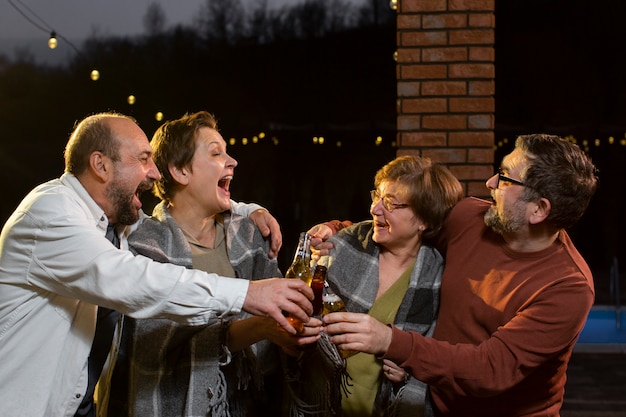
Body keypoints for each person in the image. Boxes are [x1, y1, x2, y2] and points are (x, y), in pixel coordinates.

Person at [0, 112, 314, 417]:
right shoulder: (51, 216)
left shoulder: (113, 226)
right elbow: (137, 280)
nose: (155, 172)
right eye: (142, 159)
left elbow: (183, 214)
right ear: (101, 165)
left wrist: (248, 209)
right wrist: (247, 294)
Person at [314, 134, 599, 417]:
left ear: (538, 209)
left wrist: (393, 343)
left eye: (504, 178)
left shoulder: (568, 287)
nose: (490, 183)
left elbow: (489, 369)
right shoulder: (470, 219)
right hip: (434, 404)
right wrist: (337, 229)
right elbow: (407, 224)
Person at [103, 111, 321, 417]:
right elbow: (155, 346)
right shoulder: (142, 246)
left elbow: (278, 336)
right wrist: (261, 327)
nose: (232, 161)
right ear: (179, 170)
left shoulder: (250, 237)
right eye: (216, 153)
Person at [301, 155, 463, 417]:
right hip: (320, 403)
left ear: (424, 220)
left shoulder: (439, 275)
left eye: (390, 203)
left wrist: (410, 369)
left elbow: (439, 355)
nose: (375, 209)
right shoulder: (345, 243)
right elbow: (301, 309)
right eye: (377, 196)